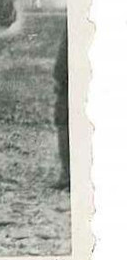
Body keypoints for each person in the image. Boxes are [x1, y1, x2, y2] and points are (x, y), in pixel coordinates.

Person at [53, 26, 70, 190]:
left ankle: (67, 175)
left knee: (63, 121)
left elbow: (64, 51)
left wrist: (58, 76)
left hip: (69, 81)